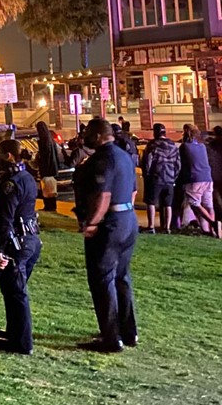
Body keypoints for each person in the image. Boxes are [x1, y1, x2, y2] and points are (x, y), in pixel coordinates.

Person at [76, 118, 138, 353]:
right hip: (128, 221)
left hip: (109, 224)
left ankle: (111, 338)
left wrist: (92, 223)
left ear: (100, 136)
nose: (85, 138)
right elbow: (133, 191)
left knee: (102, 280)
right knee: (122, 277)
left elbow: (103, 196)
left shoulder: (102, 159)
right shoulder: (124, 156)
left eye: (89, 134)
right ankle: (129, 331)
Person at [0, 139, 41, 355]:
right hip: (30, 240)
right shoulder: (27, 177)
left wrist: (0, 249)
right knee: (11, 291)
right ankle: (13, 333)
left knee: (17, 293)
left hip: (16, 243)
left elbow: (5, 219)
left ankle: (22, 343)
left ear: (8, 155)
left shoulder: (12, 184)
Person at [178, 124, 221, 238]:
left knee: (194, 203)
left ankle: (213, 223)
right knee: (208, 205)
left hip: (194, 179)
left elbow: (183, 164)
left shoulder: (184, 147)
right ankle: (211, 231)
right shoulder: (202, 146)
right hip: (207, 177)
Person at [139, 123, 179, 234]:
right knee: (168, 204)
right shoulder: (173, 145)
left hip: (156, 177)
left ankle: (151, 226)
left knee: (151, 202)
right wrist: (174, 176)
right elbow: (178, 164)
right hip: (170, 178)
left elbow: (147, 162)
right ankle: (167, 227)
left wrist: (146, 175)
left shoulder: (152, 145)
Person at [34, 122, 62, 212]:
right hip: (52, 169)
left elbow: (44, 157)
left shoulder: (43, 142)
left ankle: (49, 207)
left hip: (47, 169)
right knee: (51, 190)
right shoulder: (51, 141)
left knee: (47, 190)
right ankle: (51, 207)